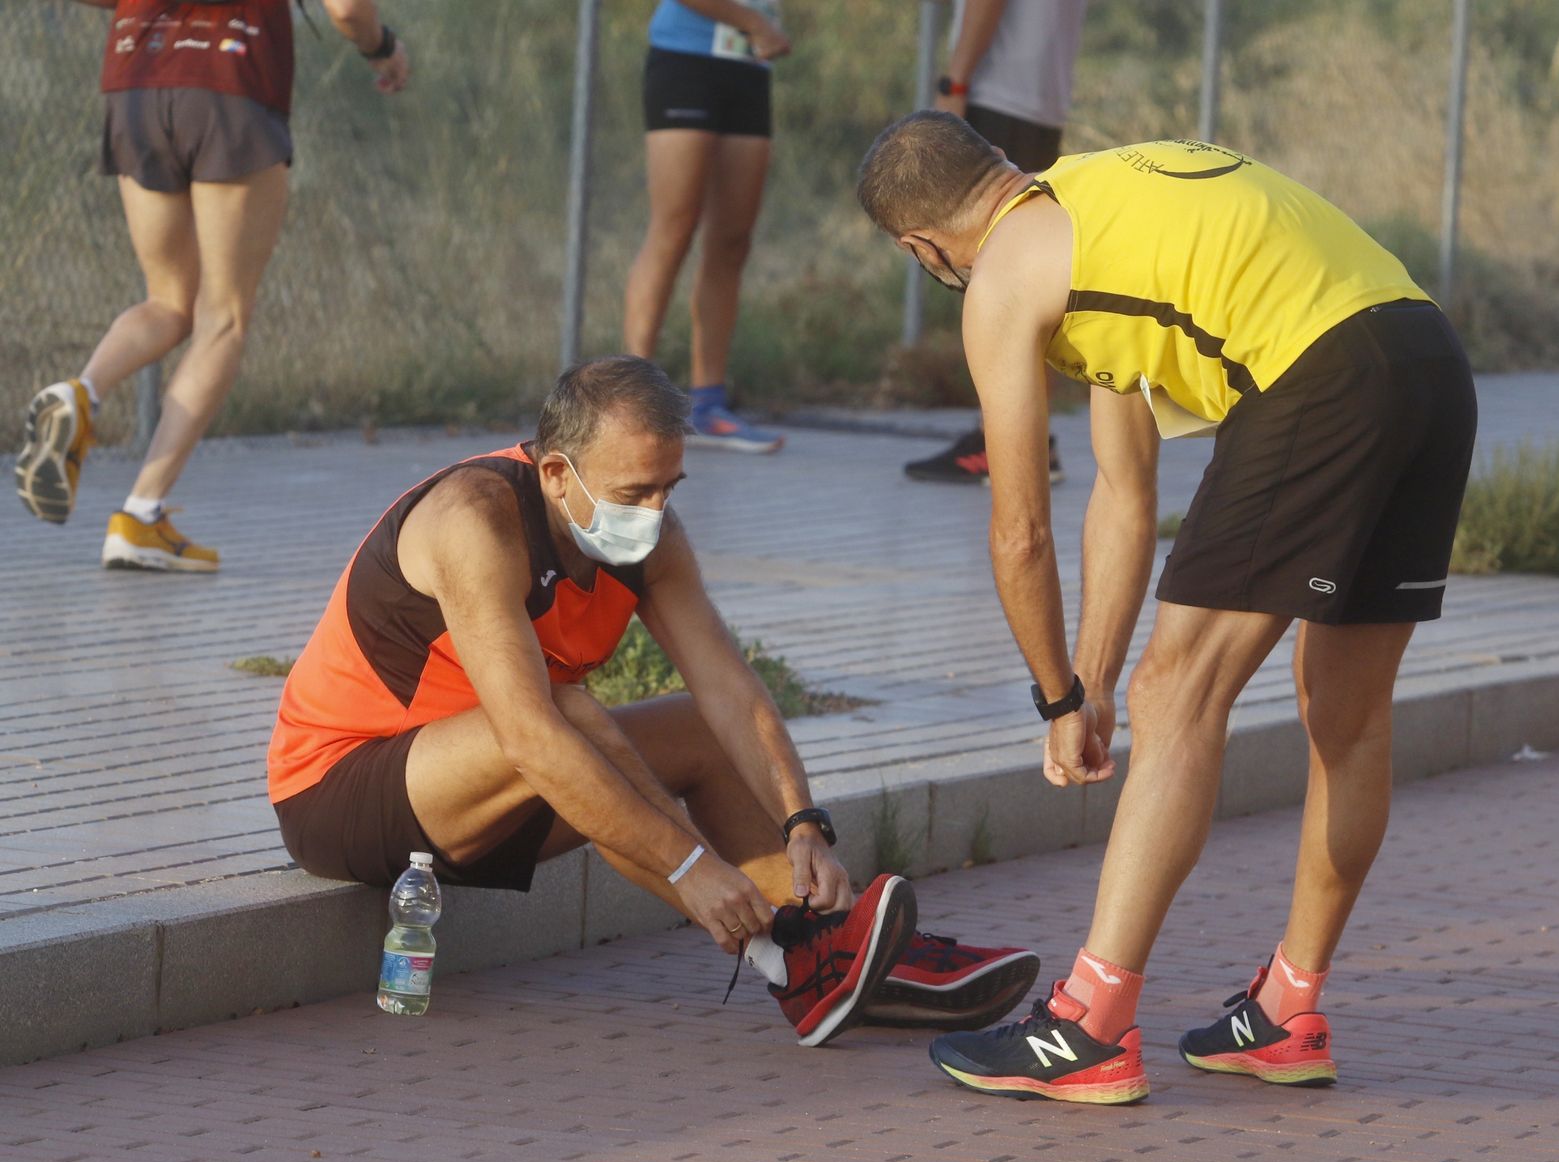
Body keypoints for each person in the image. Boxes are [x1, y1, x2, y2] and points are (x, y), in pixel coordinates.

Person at [858, 117, 1476, 1100]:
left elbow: (1018, 528)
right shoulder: (1098, 206)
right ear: (997, 171)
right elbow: (1122, 490)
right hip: (1427, 358)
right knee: (1344, 717)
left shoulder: (1004, 277)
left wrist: (1053, 701)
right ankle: (1288, 1012)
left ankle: (1088, 1027)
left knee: (1180, 692)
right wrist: (1092, 681)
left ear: (922, 248)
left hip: (1317, 375)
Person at [266, 356, 1040, 1045]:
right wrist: (689, 868)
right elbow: (532, 736)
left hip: (491, 790)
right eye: (634, 491)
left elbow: (731, 691)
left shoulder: (644, 536)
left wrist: (804, 823)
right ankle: (794, 956)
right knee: (566, 713)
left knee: (694, 725)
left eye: (669, 487)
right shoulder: (474, 521)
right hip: (342, 793)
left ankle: (822, 952)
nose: (654, 512)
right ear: (557, 474)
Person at [14, 0, 409, 572]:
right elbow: (348, 9)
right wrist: (384, 48)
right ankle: (140, 514)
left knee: (168, 300)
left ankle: (80, 394)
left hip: (136, 82)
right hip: (229, 82)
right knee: (222, 317)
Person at [902, 0, 1087, 487]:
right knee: (1020, 271)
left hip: (996, 94)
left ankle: (1004, 444)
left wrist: (954, 83)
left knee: (990, 271)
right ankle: (1028, 443)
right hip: (1038, 98)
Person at [621, 1, 787, 455]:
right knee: (673, 228)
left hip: (749, 68)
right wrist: (756, 23)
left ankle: (709, 405)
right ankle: (630, 405)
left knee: (732, 240)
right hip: (685, 62)